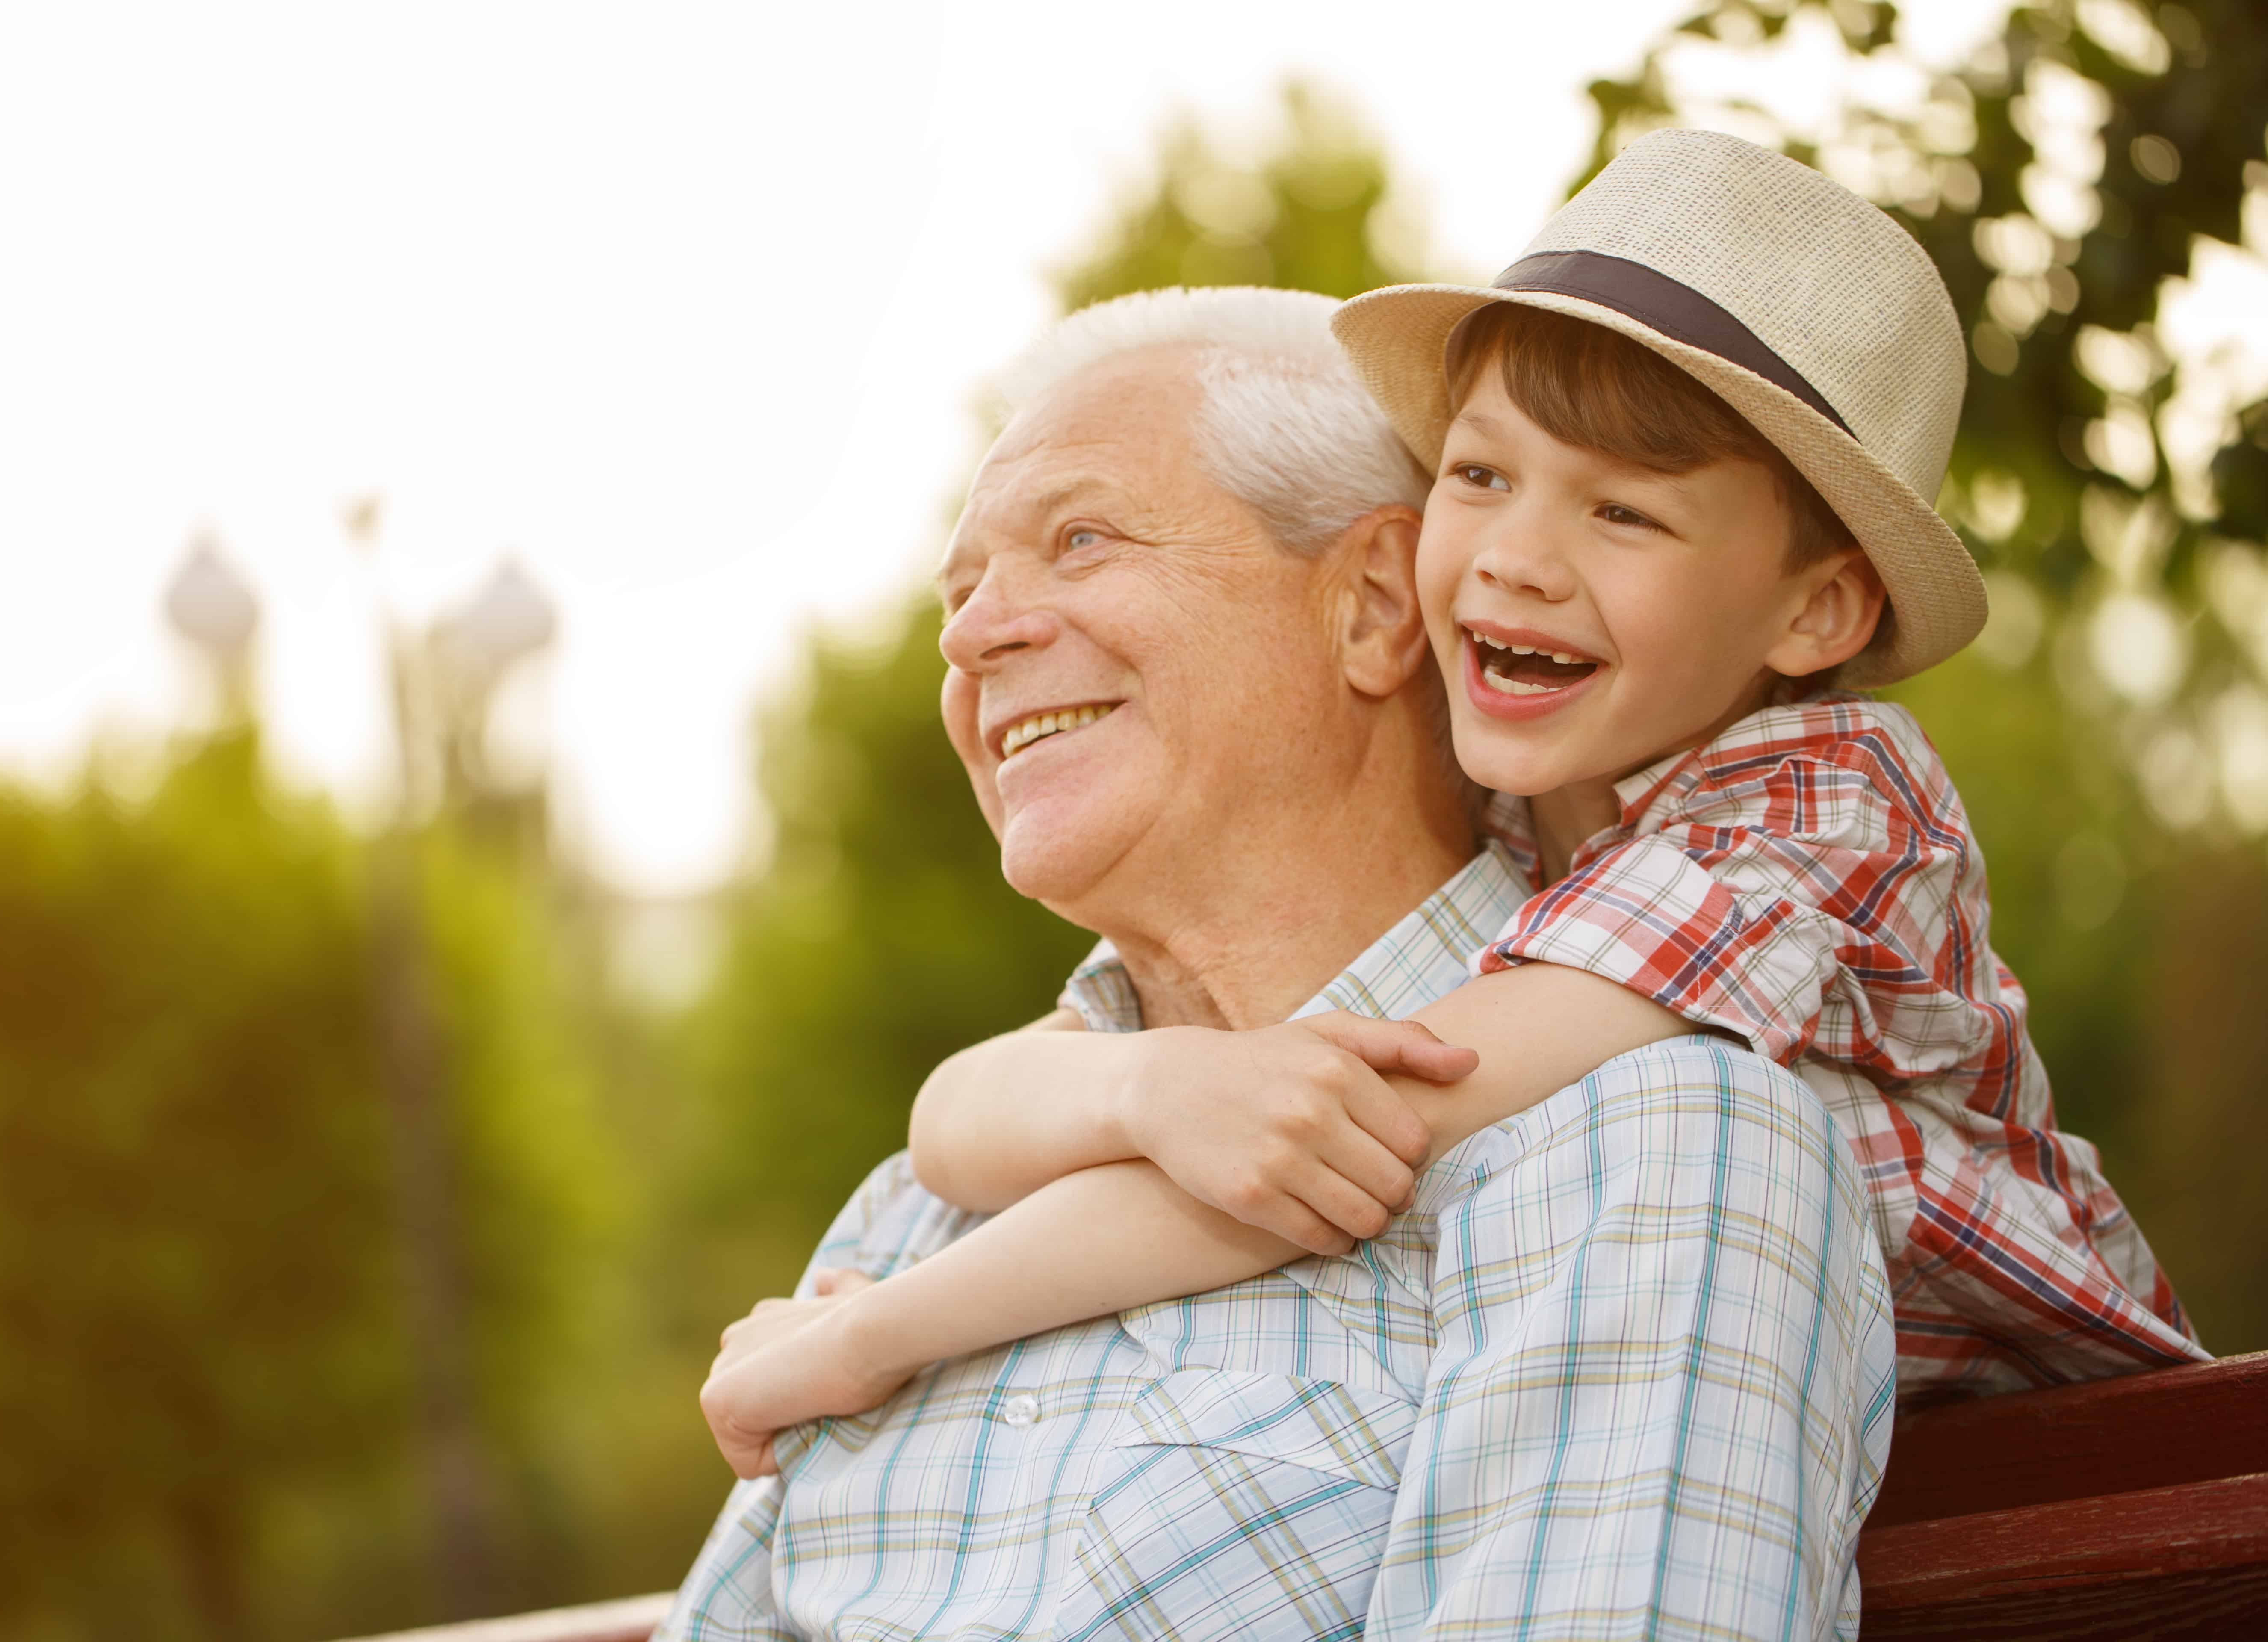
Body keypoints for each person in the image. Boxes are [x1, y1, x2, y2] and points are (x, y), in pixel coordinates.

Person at [694, 132, 2202, 1494]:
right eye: (1481, 475)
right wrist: (1144, 1092)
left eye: (1623, 511)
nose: (1514, 561)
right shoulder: (1521, 796)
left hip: (2109, 1494)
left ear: (1815, 610)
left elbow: (1359, 1136)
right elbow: (959, 1115)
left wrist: (871, 1341)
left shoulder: (1814, 817)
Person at [662, 274, 1894, 1637]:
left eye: (1080, 542)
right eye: (964, 592)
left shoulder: (1645, 1135)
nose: (969, 635)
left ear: (1375, 606)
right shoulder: (918, 1212)